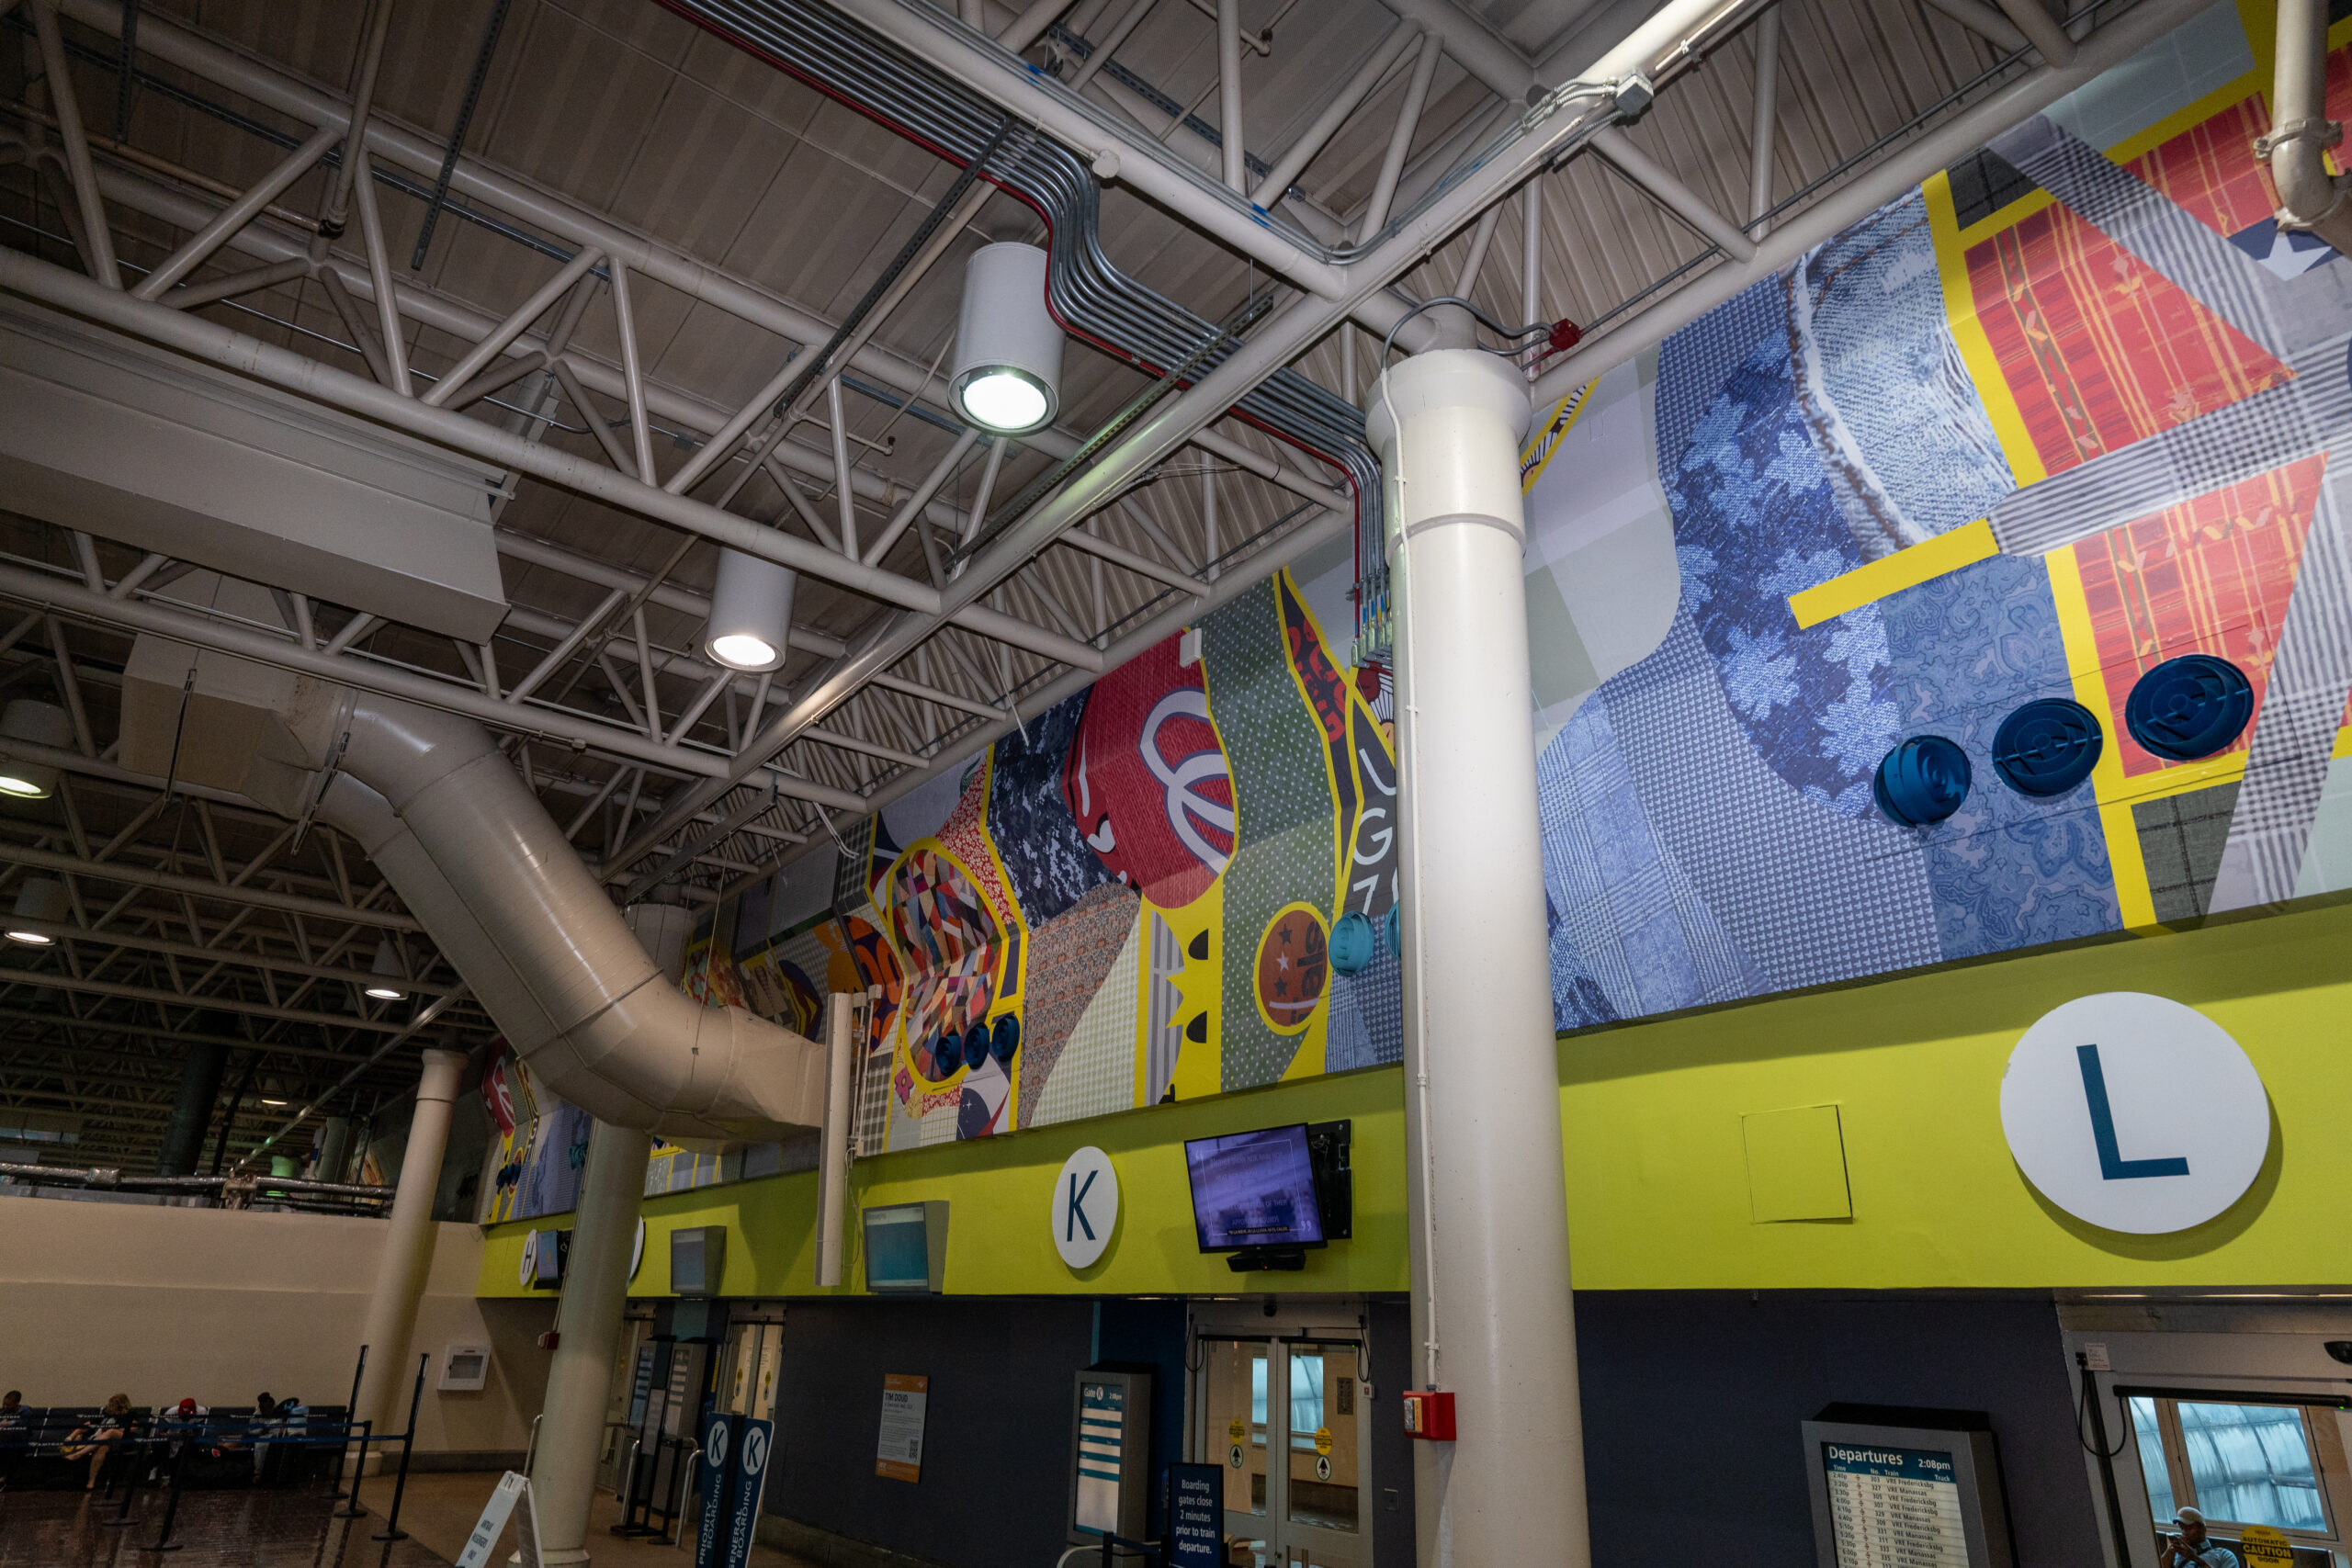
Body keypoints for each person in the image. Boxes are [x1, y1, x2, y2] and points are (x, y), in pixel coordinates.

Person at [60, 1394, 131, 1491]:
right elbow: (86, 1425)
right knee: (102, 1447)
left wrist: (110, 1429)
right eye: (109, 1405)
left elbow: (130, 1429)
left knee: (110, 1432)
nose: (109, 1407)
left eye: (112, 1405)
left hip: (119, 1440)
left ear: (120, 1406)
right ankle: (89, 1482)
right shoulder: (105, 1415)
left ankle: (79, 1454)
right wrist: (70, 1437)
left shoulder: (128, 1415)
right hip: (101, 1441)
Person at [2160, 1507, 2241, 1568]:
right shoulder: (2178, 1556)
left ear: (2203, 1529)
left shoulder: (2223, 1555)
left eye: (2189, 1528)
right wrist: (2170, 1552)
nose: (2184, 1533)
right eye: (2182, 1529)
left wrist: (2196, 1559)